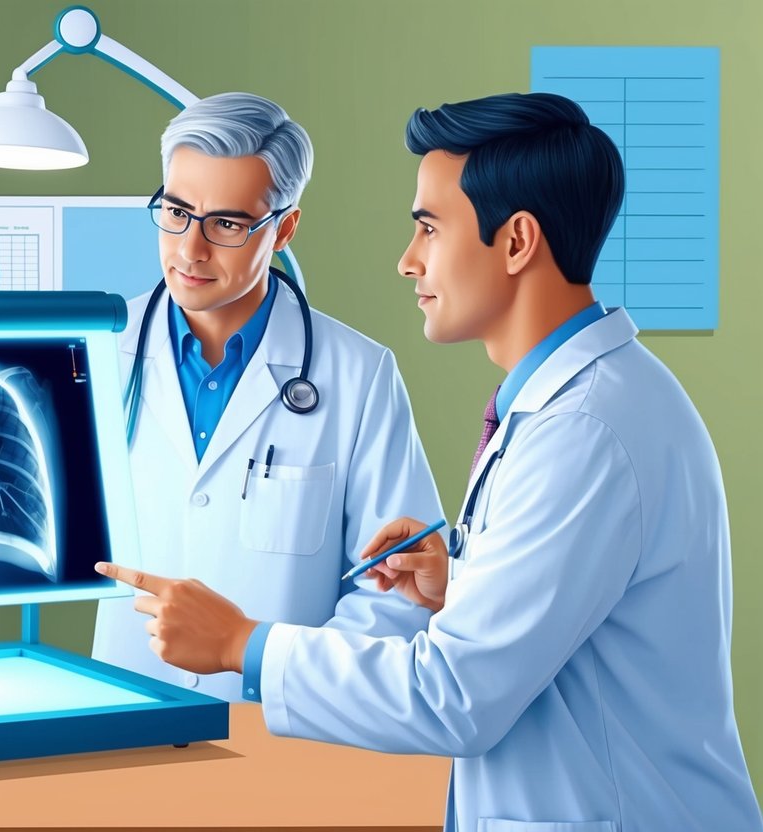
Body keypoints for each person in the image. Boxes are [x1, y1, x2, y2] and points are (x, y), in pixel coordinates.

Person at [96, 92, 763, 830]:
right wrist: (464, 587)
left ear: (514, 242)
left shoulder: (582, 428)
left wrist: (240, 645)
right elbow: (562, 614)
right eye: (177, 212)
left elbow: (453, 695)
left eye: (428, 228)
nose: (406, 260)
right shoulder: (567, 406)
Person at [91, 92, 444, 702]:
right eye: (175, 211)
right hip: (124, 716)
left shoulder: (359, 376)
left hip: (281, 732)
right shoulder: (96, 351)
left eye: (226, 223)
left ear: (283, 229)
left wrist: (282, 680)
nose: (190, 249)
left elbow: (394, 593)